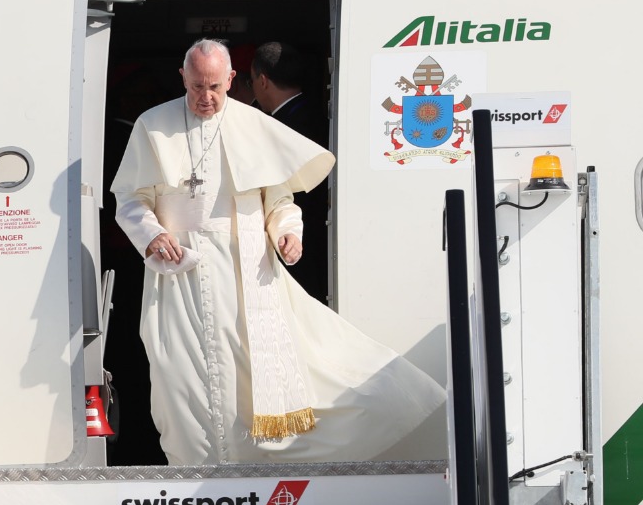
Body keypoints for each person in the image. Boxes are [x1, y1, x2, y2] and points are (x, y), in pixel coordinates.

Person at [110, 38, 444, 465]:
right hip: (179, 274)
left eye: (214, 87)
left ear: (232, 79)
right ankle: (195, 473)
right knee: (180, 377)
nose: (205, 97)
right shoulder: (152, 124)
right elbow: (130, 198)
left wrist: (288, 232)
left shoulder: (252, 125)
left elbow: (280, 201)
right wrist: (152, 234)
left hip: (245, 273)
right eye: (196, 87)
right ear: (182, 78)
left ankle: (253, 469)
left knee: (254, 376)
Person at [249, 42, 328, 301]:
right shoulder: (318, 115)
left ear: (262, 81)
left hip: (297, 239)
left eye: (251, 81)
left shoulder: (280, 128)